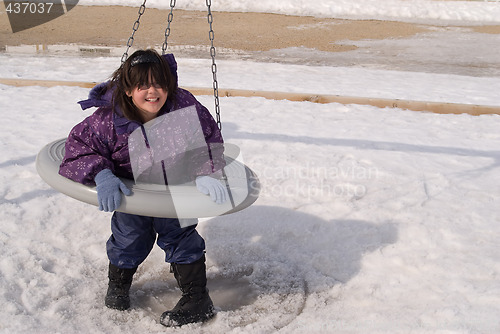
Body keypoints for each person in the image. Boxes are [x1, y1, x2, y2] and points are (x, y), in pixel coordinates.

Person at [59, 49, 227, 327]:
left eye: (159, 84)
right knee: (129, 236)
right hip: (132, 190)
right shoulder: (108, 120)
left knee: (181, 234)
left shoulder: (183, 106)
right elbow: (78, 147)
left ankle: (197, 298)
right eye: (143, 86)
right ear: (127, 90)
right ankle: (118, 284)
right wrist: (102, 174)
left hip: (174, 184)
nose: (153, 92)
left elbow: (208, 139)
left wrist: (204, 171)